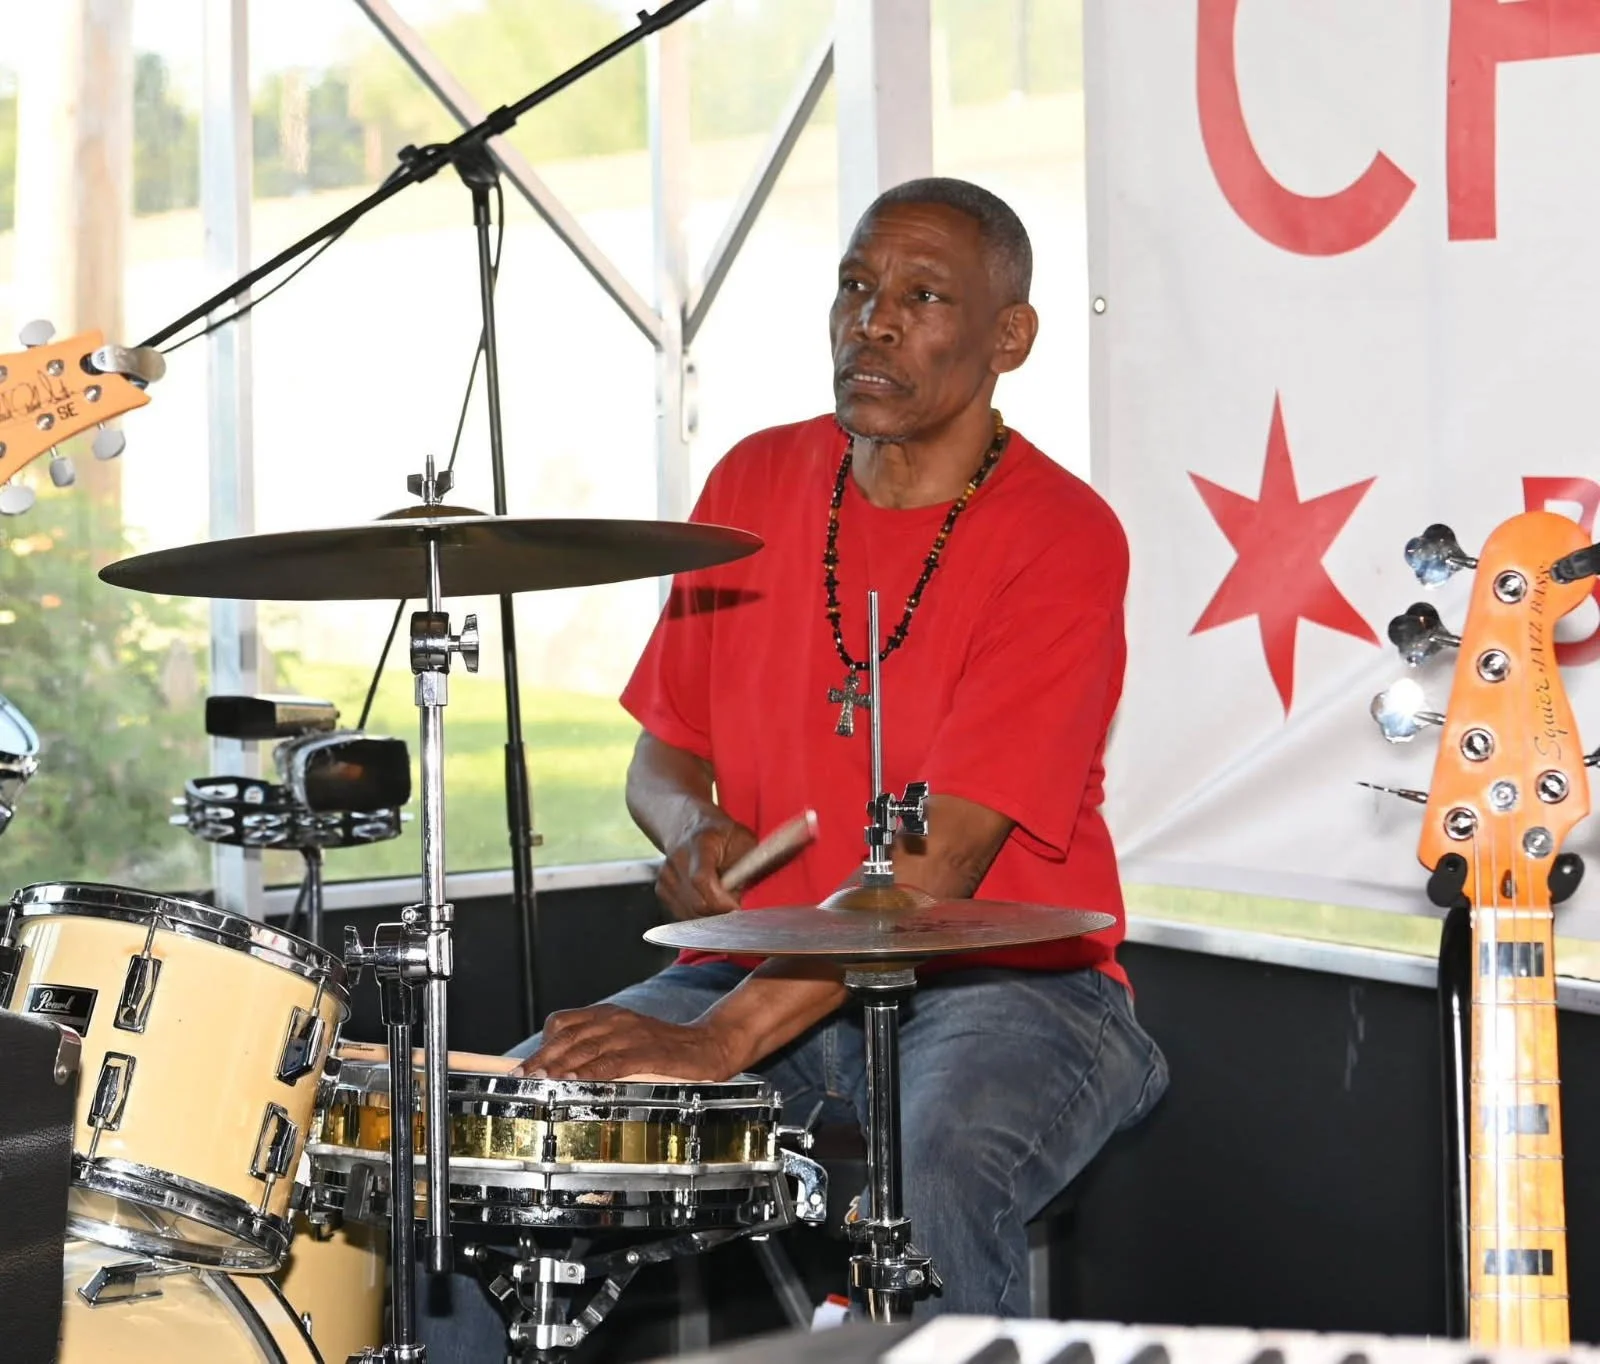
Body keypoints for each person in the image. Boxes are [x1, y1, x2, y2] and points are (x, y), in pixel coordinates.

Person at [419, 176, 1167, 1354]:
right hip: (767, 969)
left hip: (1013, 990)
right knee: (501, 1136)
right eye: (856, 286)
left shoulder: (1063, 536)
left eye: (921, 297)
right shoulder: (755, 484)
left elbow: (937, 866)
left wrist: (713, 1043)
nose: (872, 320)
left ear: (1007, 337)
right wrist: (687, 830)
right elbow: (660, 757)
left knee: (933, 1172)